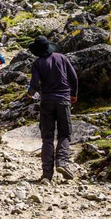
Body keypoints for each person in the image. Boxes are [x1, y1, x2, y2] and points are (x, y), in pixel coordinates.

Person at [27, 36, 79, 182]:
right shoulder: (62, 58)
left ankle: (46, 174)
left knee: (47, 137)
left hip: (47, 101)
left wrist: (30, 93)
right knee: (65, 133)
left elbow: (35, 84)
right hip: (63, 100)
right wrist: (73, 94)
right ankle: (62, 163)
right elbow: (73, 77)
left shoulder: (37, 63)